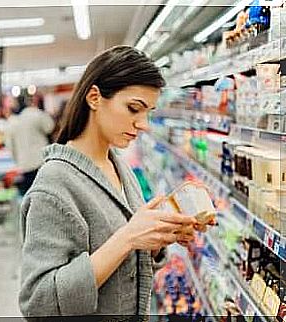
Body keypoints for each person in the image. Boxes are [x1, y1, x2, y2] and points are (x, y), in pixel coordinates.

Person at [19, 46, 207, 320]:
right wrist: (128, 238)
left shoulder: (117, 165)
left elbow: (122, 269)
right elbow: (39, 301)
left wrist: (155, 238)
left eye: (148, 112)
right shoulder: (55, 184)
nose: (143, 124)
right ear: (94, 97)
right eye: (134, 108)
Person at [4, 93, 54, 196]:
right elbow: (50, 127)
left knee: (29, 198)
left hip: (24, 165)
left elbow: (10, 146)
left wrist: (18, 162)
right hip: (41, 162)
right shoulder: (35, 113)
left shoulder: (11, 122)